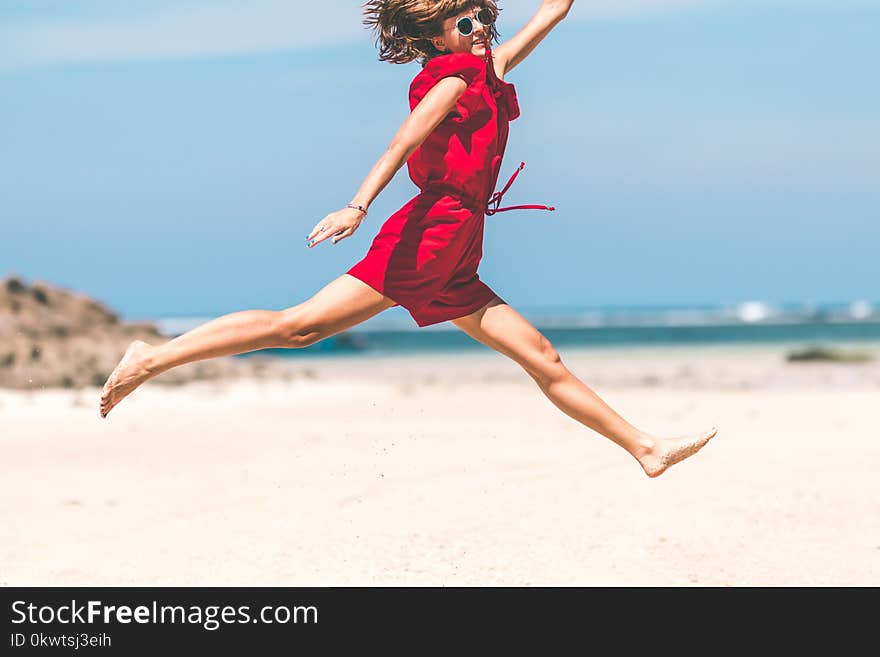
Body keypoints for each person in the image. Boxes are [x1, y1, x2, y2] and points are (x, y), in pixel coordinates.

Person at [100, 0, 717, 478]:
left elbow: (555, 9)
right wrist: (357, 205)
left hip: (460, 240)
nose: (478, 28)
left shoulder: (489, 70)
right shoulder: (450, 81)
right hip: (429, 232)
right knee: (301, 326)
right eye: (462, 22)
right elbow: (401, 143)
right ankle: (150, 357)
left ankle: (645, 449)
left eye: (480, 17)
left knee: (543, 358)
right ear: (434, 35)